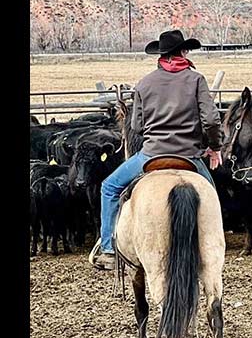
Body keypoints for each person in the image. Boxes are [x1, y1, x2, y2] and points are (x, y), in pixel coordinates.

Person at [89, 30, 223, 270]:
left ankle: (109, 247)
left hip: (151, 155)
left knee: (109, 187)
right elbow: (211, 121)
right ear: (183, 52)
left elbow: (136, 126)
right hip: (189, 156)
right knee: (211, 196)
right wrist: (214, 147)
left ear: (161, 55)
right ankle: (213, 245)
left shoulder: (144, 83)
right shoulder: (196, 80)